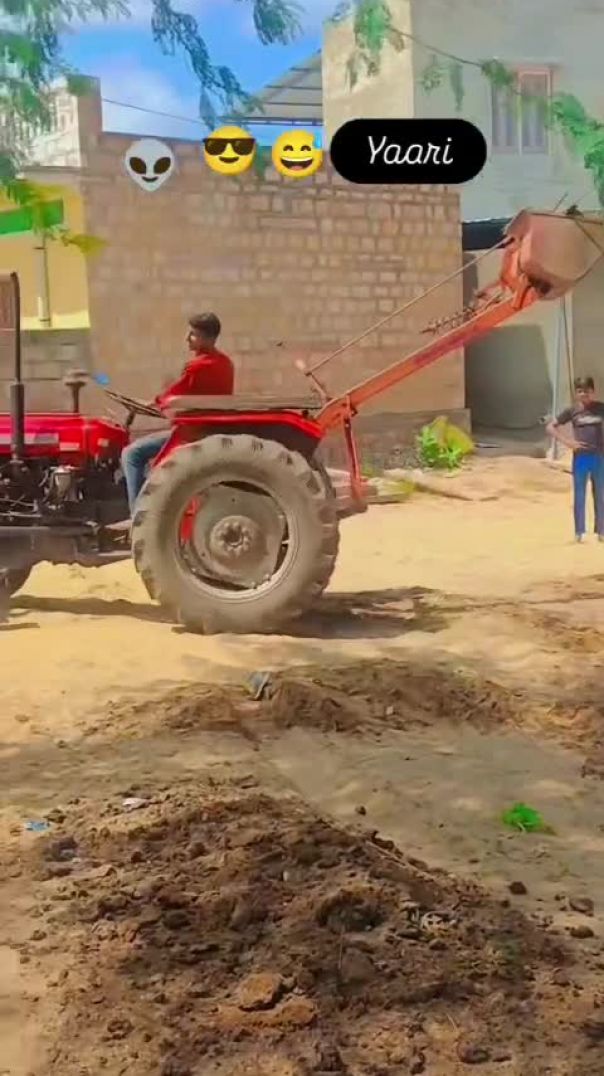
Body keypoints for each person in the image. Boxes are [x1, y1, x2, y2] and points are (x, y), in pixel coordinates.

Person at [113, 313, 234, 529]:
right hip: (206, 427)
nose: (187, 338)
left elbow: (173, 394)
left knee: (131, 454)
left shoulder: (198, 366)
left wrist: (152, 403)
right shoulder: (226, 363)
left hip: (192, 431)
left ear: (208, 338)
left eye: (193, 334)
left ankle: (138, 517)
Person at [546, 375, 604, 542]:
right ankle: (579, 532)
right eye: (580, 391)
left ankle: (601, 531)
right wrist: (568, 442)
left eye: (587, 391)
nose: (584, 394)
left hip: (599, 456)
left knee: (600, 494)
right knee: (579, 495)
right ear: (576, 393)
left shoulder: (600, 408)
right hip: (581, 458)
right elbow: (550, 427)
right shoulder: (572, 411)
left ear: (593, 391)